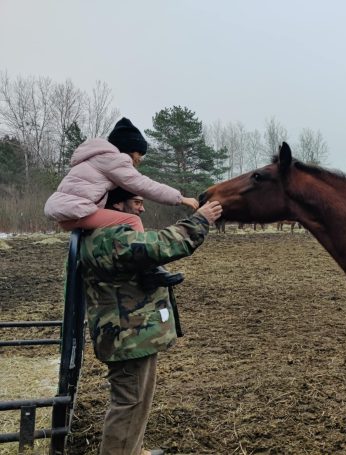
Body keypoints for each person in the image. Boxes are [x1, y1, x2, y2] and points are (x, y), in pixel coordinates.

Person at [79, 186, 222, 455]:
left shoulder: (108, 233)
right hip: (127, 336)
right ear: (118, 205)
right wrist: (200, 220)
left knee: (138, 400)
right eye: (137, 202)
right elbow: (161, 245)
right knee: (130, 402)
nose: (142, 208)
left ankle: (134, 450)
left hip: (132, 334)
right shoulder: (110, 236)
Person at [44, 117, 200, 233]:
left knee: (117, 218)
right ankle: (147, 268)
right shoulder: (115, 159)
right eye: (140, 153)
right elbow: (144, 186)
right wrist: (180, 198)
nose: (140, 159)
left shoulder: (96, 158)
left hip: (68, 212)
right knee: (133, 220)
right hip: (76, 212)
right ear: (130, 150)